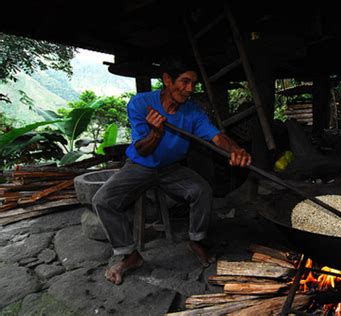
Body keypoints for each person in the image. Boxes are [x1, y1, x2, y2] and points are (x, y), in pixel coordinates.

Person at [92, 56, 251, 285]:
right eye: (184, 82)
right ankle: (130, 255)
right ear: (167, 79)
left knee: (202, 190)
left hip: (171, 169)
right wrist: (155, 134)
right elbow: (143, 150)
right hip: (140, 166)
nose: (189, 89)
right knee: (103, 200)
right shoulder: (140, 104)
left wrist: (235, 149)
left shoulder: (193, 112)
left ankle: (196, 240)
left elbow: (217, 136)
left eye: (193, 84)